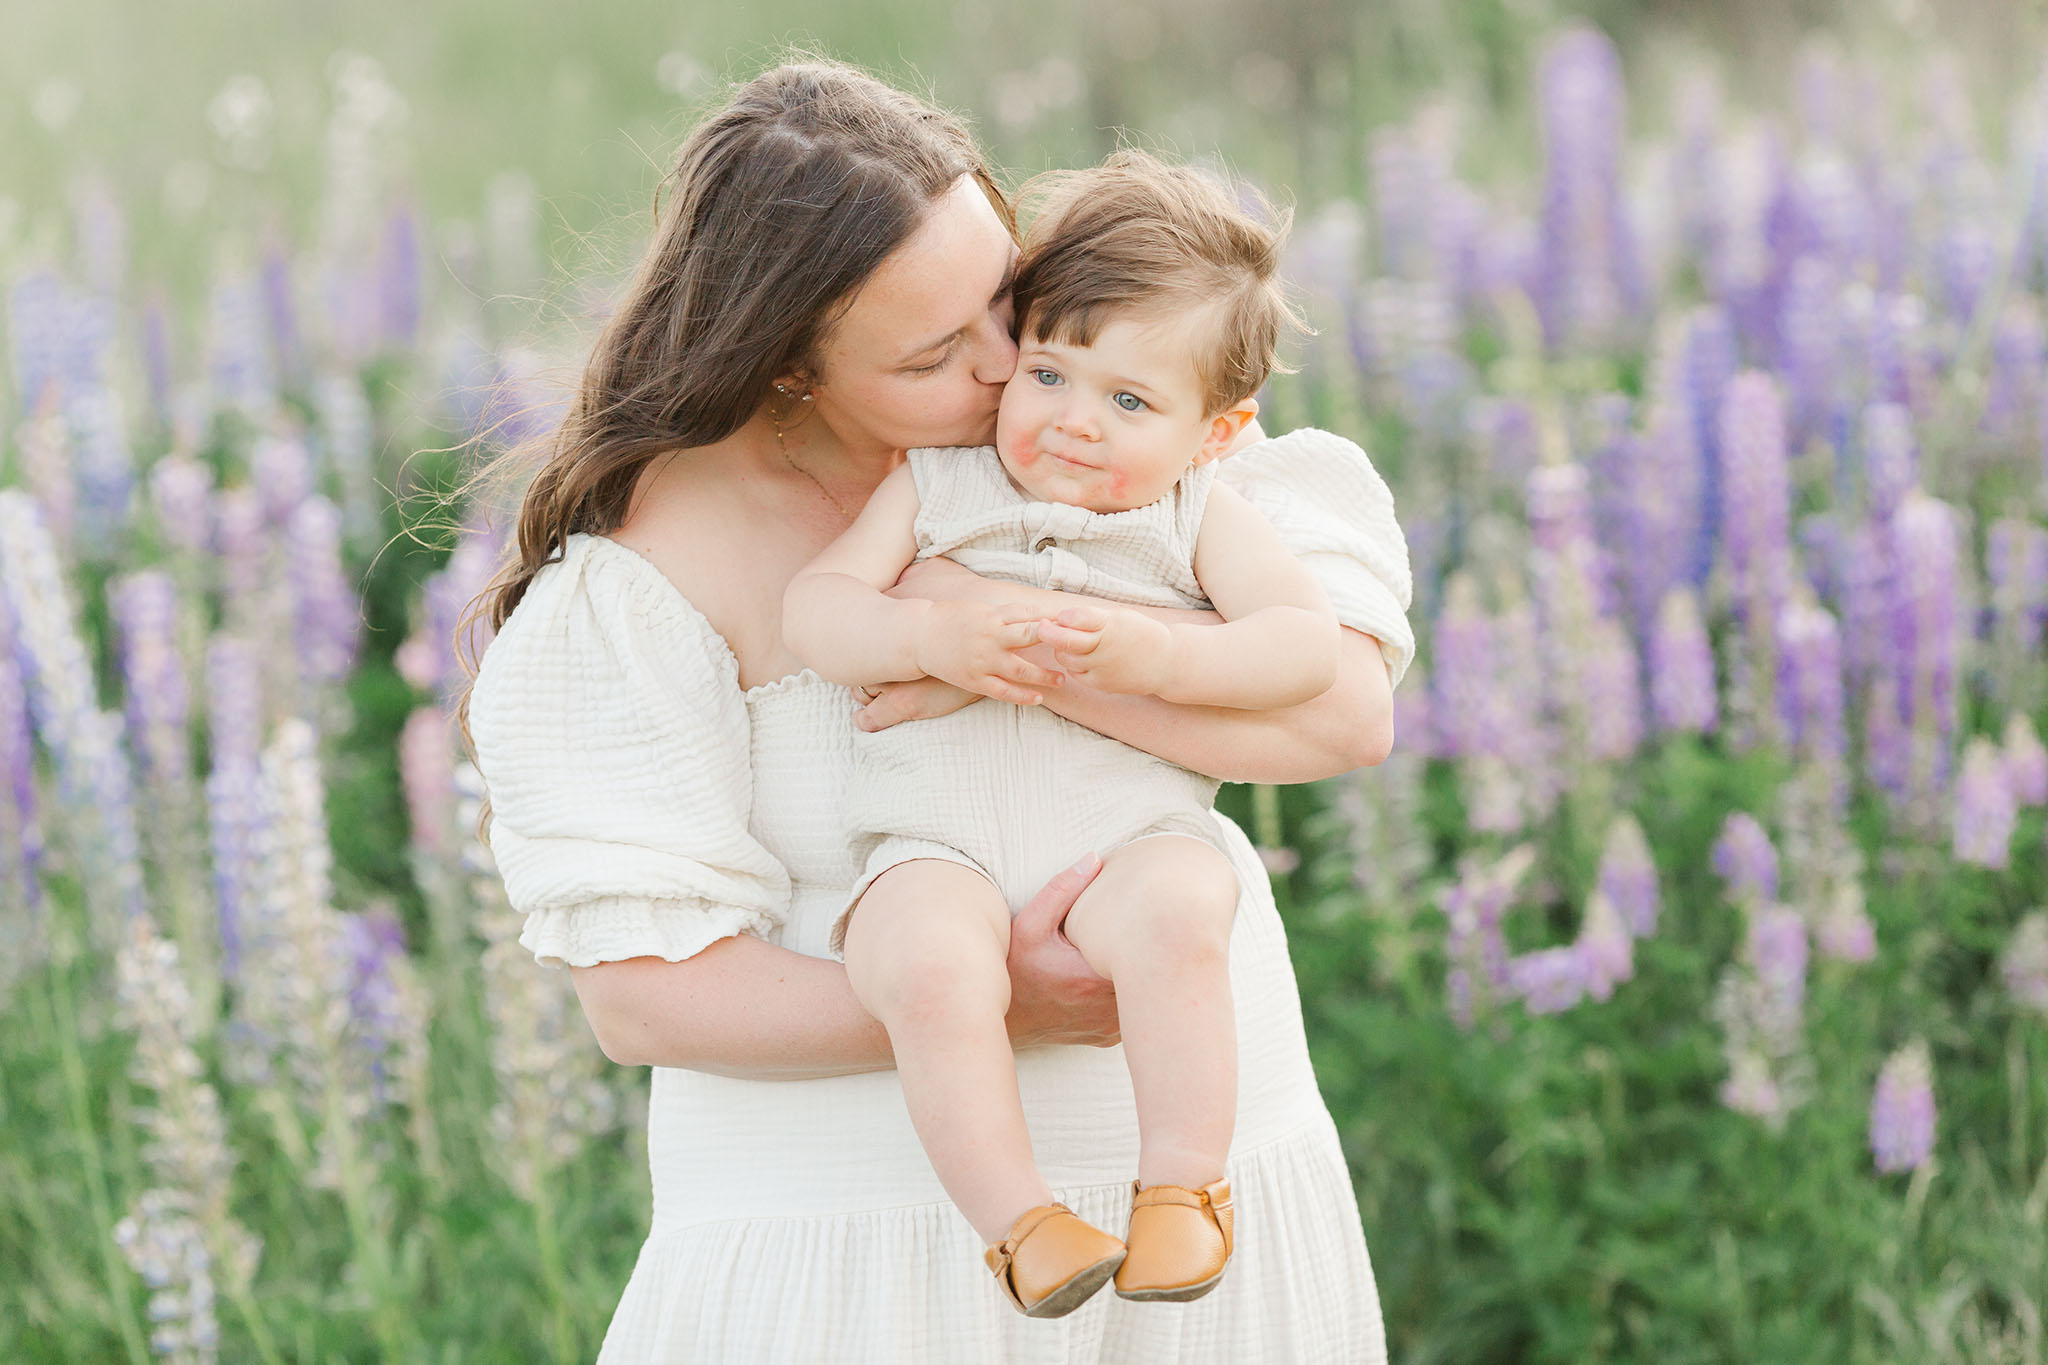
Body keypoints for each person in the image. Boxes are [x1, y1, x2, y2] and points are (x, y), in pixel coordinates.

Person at [464, 58, 1414, 1363]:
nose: (1007, 366)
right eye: (930, 354)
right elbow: (643, 1000)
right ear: (789, 370)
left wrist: (1027, 653)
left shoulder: (1109, 422)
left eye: (1003, 299)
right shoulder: (642, 577)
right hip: (866, 1275)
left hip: (1219, 1237)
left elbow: (1345, 713)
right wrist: (997, 997)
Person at [782, 149, 1356, 1318]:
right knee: (923, 968)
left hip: (1120, 832)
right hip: (938, 834)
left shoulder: (1199, 514)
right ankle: (1021, 1224)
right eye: (1048, 374)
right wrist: (924, 642)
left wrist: (1162, 652)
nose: (1073, 423)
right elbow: (815, 612)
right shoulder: (940, 482)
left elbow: (1305, 647)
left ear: (1216, 430)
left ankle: (1182, 1191)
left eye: (1130, 402)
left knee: (1182, 914)